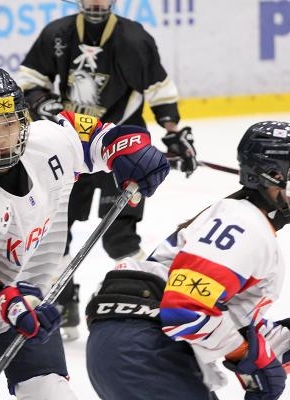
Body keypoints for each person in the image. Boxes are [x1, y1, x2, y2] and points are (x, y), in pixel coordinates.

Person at [0, 67, 170, 400]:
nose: (0, 137)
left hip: (30, 299)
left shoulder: (46, 144)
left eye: (8, 124)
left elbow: (90, 134)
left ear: (24, 121)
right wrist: (9, 303)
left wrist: (124, 148)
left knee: (51, 393)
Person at [17, 0, 198, 340]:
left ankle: (150, 299)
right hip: (73, 146)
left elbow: (159, 89)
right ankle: (62, 302)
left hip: (122, 149)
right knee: (55, 232)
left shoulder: (133, 38)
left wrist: (173, 132)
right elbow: (30, 79)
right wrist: (42, 100)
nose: (97, 2)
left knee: (120, 239)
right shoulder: (58, 33)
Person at [85, 121, 290, 399]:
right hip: (143, 348)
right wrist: (246, 356)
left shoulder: (241, 219)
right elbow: (185, 309)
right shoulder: (245, 224)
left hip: (132, 345)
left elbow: (221, 315)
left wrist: (263, 352)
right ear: (273, 175)